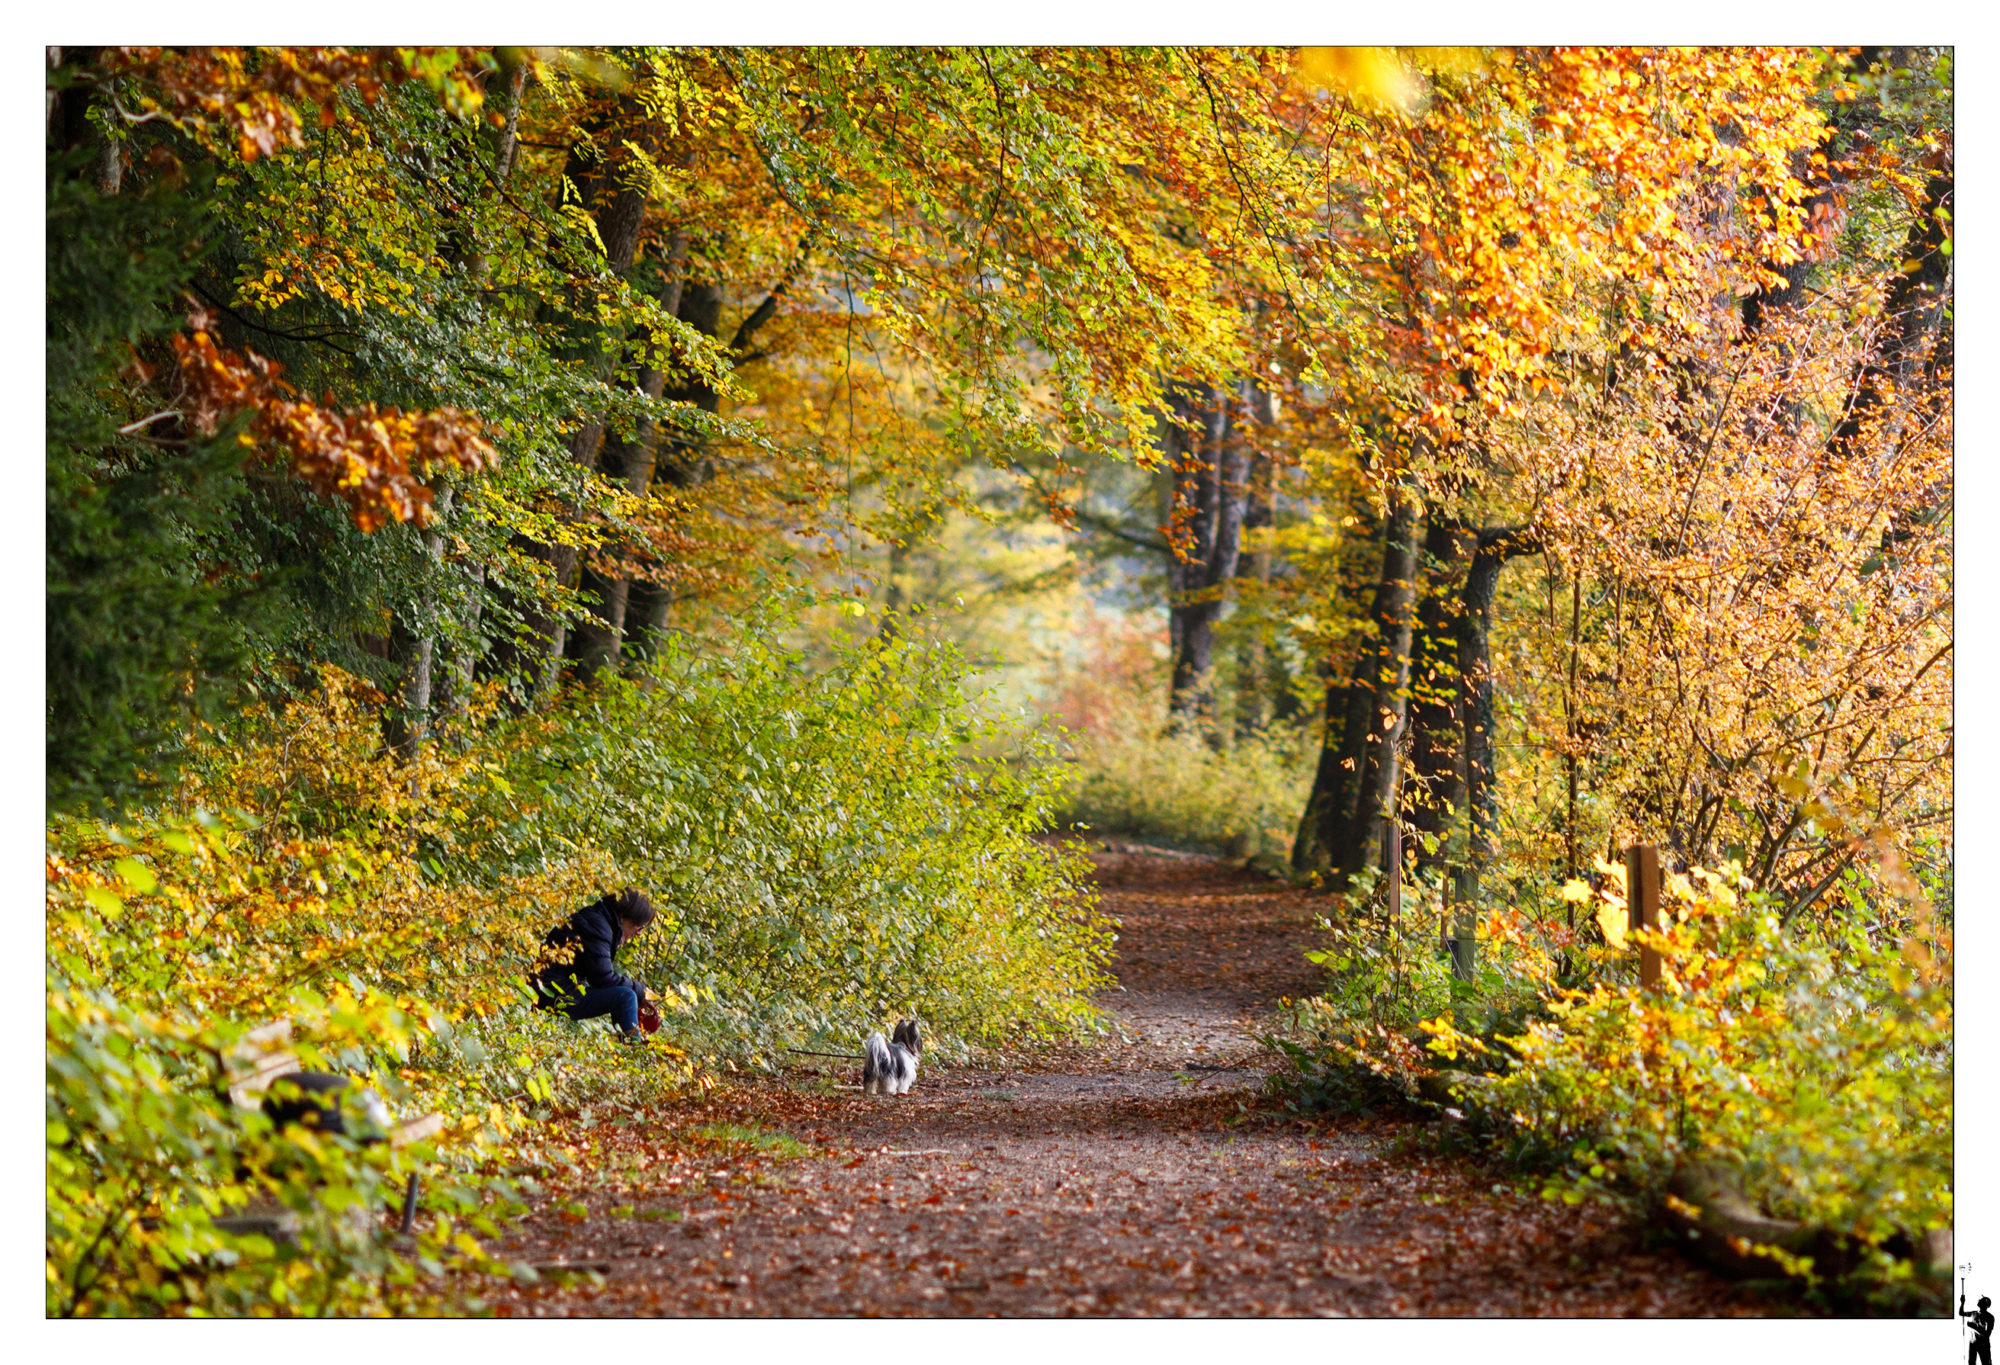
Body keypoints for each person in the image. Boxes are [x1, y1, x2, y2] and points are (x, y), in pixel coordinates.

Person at [531, 888, 658, 1044]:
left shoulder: (599, 921)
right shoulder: (599, 927)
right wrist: (640, 991)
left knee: (626, 996)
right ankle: (634, 1051)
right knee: (626, 997)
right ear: (624, 917)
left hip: (555, 986)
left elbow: (598, 975)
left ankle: (629, 1047)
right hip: (551, 992)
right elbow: (603, 979)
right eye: (640, 927)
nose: (639, 934)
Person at [1965, 1293, 1995, 1365]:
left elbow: (1987, 1334)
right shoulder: (1974, 1313)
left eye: (1981, 1300)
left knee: (1986, 1363)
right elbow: (1961, 1313)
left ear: (1985, 1304)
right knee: (1971, 1363)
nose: (1978, 1300)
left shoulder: (1990, 1317)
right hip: (1973, 1343)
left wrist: (1974, 1327)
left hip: (1983, 1345)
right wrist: (1962, 1303)